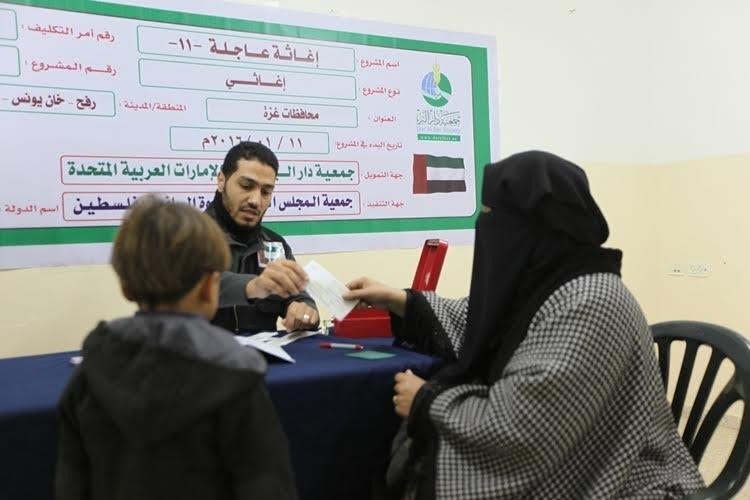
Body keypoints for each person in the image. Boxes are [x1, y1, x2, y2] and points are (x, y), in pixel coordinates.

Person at [344, 151, 705, 499]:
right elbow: (482, 325)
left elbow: (526, 426)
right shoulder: (547, 282)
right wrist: (399, 299)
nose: (485, 228)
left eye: (492, 216)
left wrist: (426, 402)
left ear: (534, 226)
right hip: (569, 458)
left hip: (617, 480)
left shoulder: (591, 300)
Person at [55, 197, 297, 500]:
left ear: (125, 288)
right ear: (210, 286)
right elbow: (267, 486)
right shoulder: (236, 374)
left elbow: (71, 483)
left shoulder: (90, 371)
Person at [206, 141, 319, 334]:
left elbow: (298, 296)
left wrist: (303, 310)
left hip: (263, 352)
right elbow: (194, 285)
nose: (255, 200)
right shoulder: (186, 236)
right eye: (246, 186)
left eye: (266, 192)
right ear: (221, 181)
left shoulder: (273, 245)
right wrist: (253, 286)